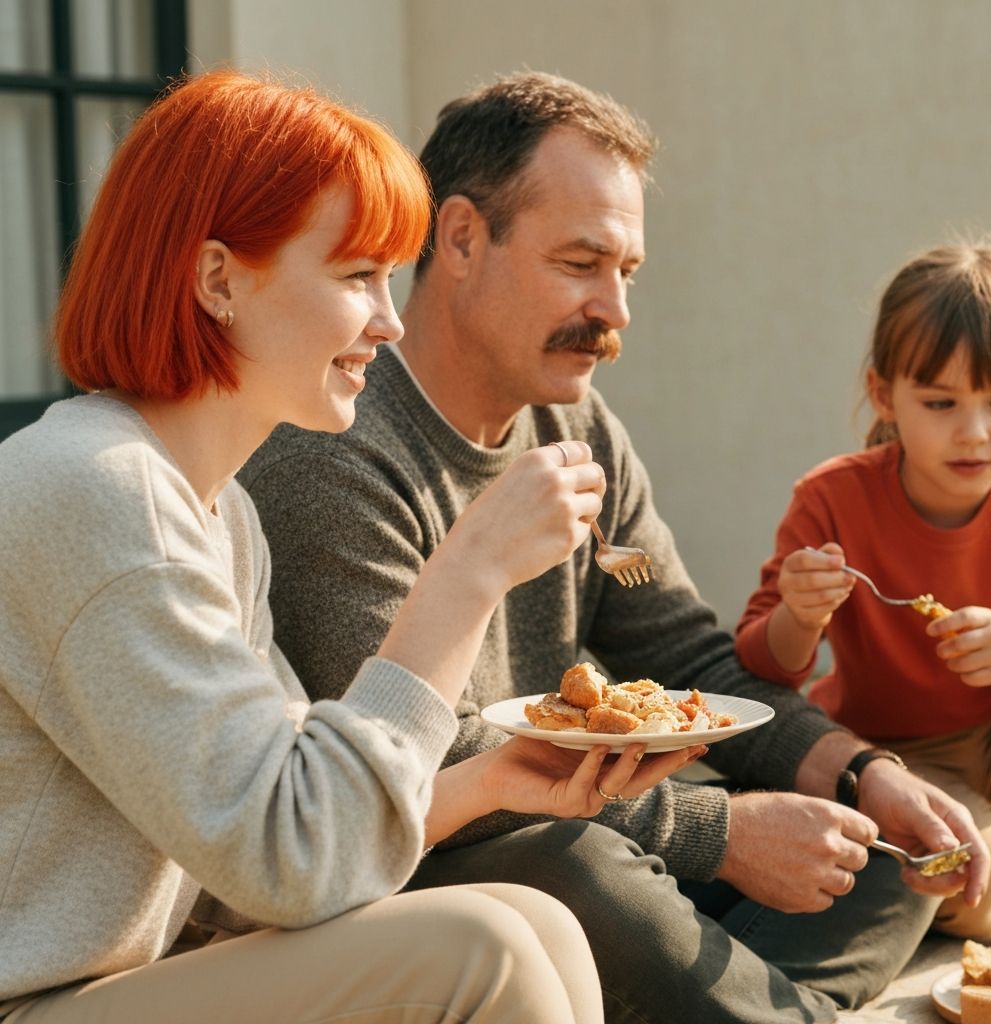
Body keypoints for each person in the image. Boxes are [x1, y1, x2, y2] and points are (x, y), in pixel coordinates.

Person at [240, 72, 989, 1022]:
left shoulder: (577, 424)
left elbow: (691, 658)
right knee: (584, 868)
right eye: (581, 262)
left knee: (879, 853)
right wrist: (719, 834)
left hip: (589, 823)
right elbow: (425, 767)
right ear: (463, 238)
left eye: (626, 271)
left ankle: (742, 1004)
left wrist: (860, 770)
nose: (616, 311)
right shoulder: (335, 450)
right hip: (435, 860)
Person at [0, 69, 715, 1024]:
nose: (388, 316)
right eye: (354, 276)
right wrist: (468, 572)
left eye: (388, 275)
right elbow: (292, 861)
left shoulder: (217, 513)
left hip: (121, 986)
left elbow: (274, 840)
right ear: (219, 279)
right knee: (484, 950)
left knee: (530, 917)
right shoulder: (97, 489)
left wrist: (483, 784)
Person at [736, 242, 991, 939]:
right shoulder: (835, 500)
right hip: (896, 755)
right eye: (940, 402)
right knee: (962, 868)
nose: (974, 432)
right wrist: (801, 616)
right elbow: (761, 666)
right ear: (882, 395)